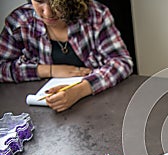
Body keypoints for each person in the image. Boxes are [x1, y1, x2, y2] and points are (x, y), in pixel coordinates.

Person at [0, 0, 133, 112]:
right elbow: (2, 68)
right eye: (40, 1)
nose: (48, 12)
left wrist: (79, 91)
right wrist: (49, 70)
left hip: (99, 107)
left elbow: (122, 62)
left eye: (55, 2)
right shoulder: (18, 22)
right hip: (44, 114)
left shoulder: (96, 15)